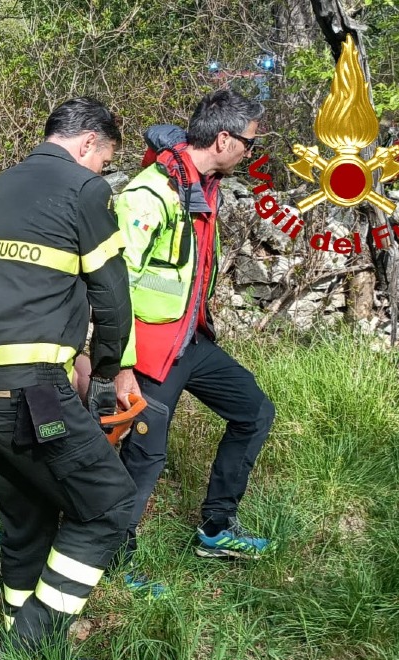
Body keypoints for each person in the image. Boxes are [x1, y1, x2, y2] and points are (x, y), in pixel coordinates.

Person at [0, 98, 139, 660]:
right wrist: (103, 369)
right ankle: (27, 647)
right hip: (33, 389)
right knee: (106, 506)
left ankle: (30, 651)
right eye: (103, 158)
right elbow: (112, 296)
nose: (100, 169)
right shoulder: (85, 190)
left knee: (25, 515)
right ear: (87, 145)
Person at [112, 89, 276, 566]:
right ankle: (117, 558)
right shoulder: (152, 193)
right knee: (144, 459)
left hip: (188, 342)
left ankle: (217, 527)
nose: (251, 153)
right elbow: (113, 287)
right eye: (249, 144)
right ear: (223, 139)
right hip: (148, 351)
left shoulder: (203, 186)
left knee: (254, 412)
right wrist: (121, 367)